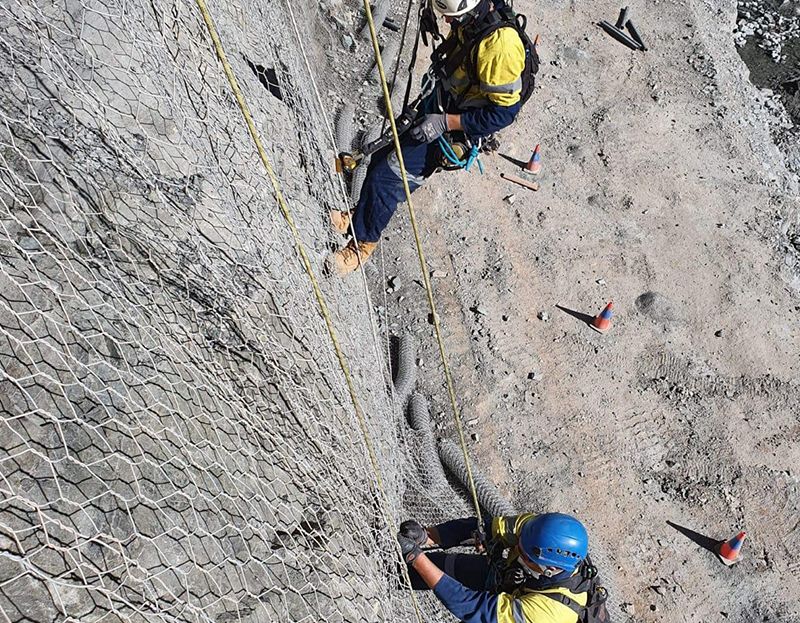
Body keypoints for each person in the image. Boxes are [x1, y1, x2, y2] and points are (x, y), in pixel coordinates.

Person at [328, 0, 528, 276]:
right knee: (382, 158)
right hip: (441, 102)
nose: (447, 23)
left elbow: (502, 114)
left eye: (453, 19)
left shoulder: (500, 49)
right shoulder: (475, 17)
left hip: (453, 126)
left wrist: (447, 122)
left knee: (390, 179)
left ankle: (362, 246)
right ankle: (358, 217)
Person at [397, 512, 598, 623]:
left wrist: (416, 557)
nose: (517, 549)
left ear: (550, 569)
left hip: (524, 612)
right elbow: (485, 527)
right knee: (445, 566)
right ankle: (395, 574)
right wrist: (428, 537)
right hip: (511, 583)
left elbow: (472, 607)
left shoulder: (550, 613)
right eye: (518, 542)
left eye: (525, 555)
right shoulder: (534, 529)